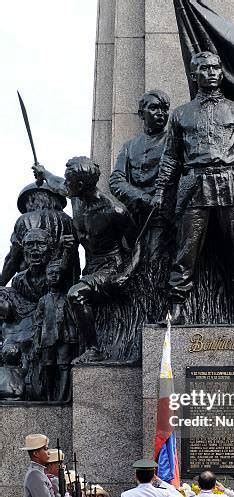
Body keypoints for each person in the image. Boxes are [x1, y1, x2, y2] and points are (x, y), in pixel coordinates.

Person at [152, 51, 234, 325]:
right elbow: (171, 157)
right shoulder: (181, 114)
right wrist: (161, 189)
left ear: (221, 73)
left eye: (215, 68)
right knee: (186, 250)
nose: (210, 73)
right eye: (204, 69)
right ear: (194, 75)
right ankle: (176, 307)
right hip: (193, 184)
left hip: (229, 183)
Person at [32, 156, 138, 363]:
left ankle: (93, 350)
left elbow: (138, 245)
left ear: (80, 185)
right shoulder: (75, 197)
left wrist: (126, 274)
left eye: (68, 181)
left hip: (111, 267)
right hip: (90, 268)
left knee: (75, 294)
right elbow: (56, 183)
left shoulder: (114, 211)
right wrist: (43, 173)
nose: (66, 184)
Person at [109, 89, 171, 262]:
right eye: (154, 108)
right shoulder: (129, 146)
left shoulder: (174, 141)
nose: (161, 113)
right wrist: (142, 198)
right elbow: (116, 180)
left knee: (154, 261)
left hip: (164, 216)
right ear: (141, 113)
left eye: (165, 109)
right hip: (136, 216)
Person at [0, 182, 79, 287]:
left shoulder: (24, 220)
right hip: (63, 282)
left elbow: (13, 257)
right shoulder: (69, 220)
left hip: (31, 282)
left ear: (33, 199)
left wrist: (2, 283)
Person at [34, 260, 78, 401]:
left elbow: (74, 319)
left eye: (57, 273)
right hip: (47, 339)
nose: (54, 276)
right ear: (46, 277)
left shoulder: (67, 298)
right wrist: (36, 342)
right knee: (48, 367)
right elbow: (38, 324)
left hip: (65, 338)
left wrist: (76, 338)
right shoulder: (43, 300)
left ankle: (61, 398)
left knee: (63, 366)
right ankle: (49, 397)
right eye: (50, 274)